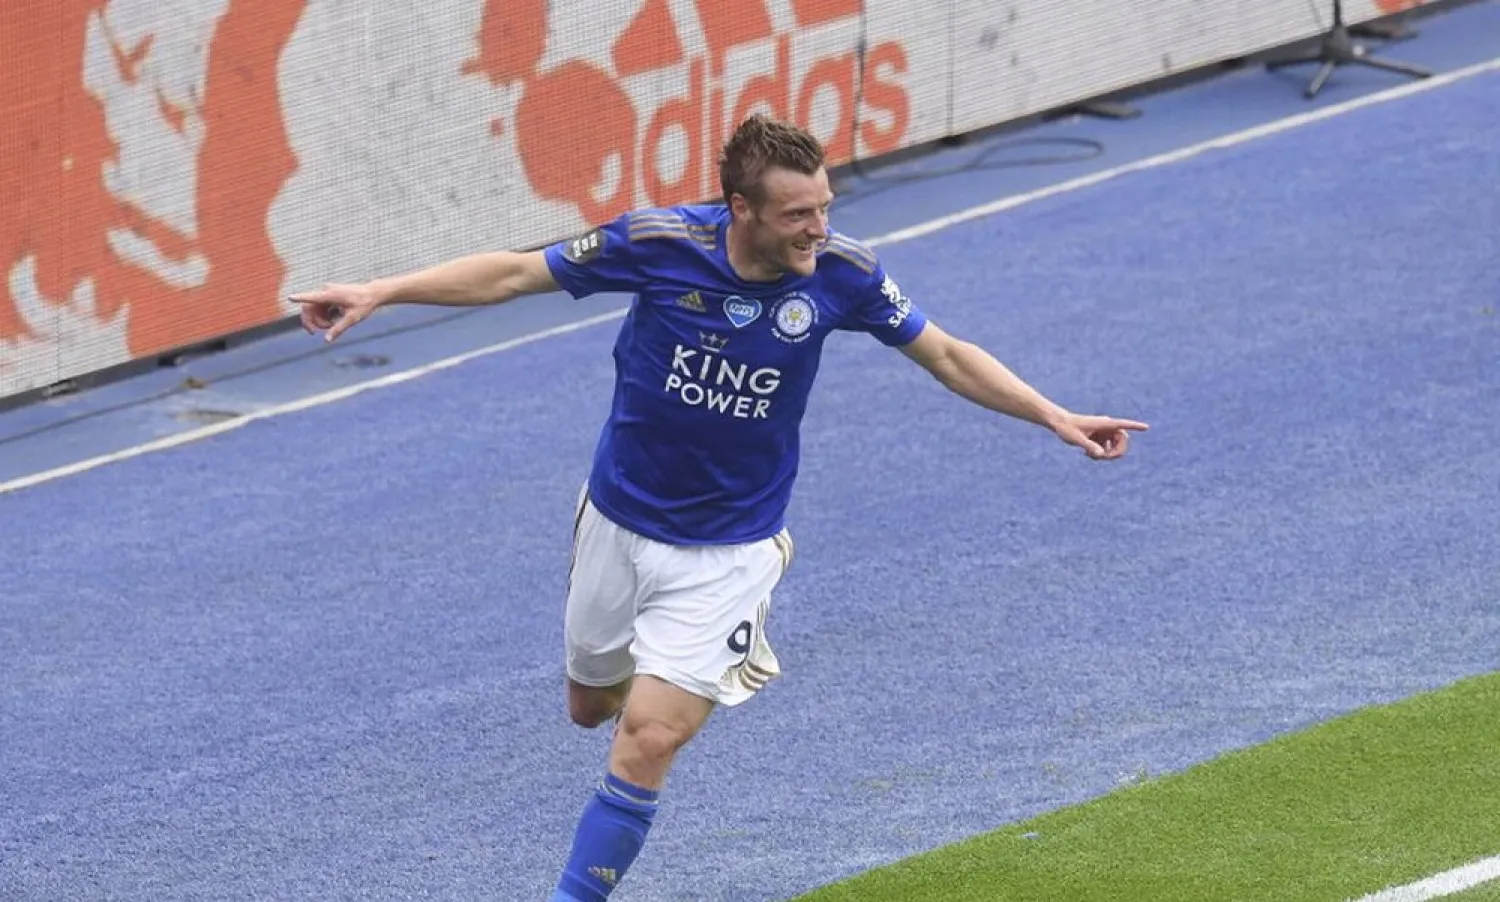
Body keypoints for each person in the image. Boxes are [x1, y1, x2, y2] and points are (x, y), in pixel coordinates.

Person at [291, 114, 1148, 901]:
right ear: (739, 208)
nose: (820, 230)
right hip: (619, 522)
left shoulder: (843, 275)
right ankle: (647, 672)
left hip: (729, 551)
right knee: (591, 709)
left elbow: (949, 355)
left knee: (649, 739)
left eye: (825, 208)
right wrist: (379, 291)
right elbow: (514, 275)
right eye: (797, 216)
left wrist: (1056, 416)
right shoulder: (657, 245)